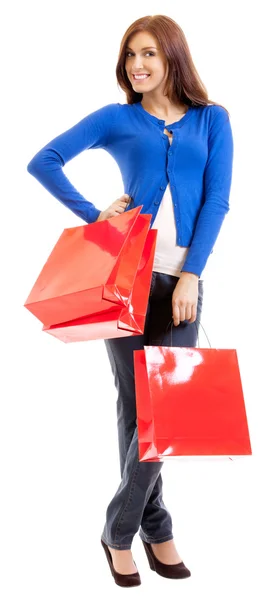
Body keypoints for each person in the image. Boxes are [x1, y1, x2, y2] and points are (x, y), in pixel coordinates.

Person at [27, 14, 234, 588]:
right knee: (137, 409)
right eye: (129, 57)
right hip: (126, 280)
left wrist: (192, 273)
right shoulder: (117, 119)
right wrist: (96, 215)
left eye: (148, 54)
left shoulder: (212, 120)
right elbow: (42, 161)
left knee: (166, 414)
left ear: (172, 56)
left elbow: (216, 201)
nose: (137, 66)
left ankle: (119, 530)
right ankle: (156, 529)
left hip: (181, 284)